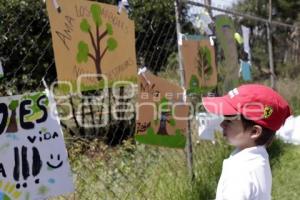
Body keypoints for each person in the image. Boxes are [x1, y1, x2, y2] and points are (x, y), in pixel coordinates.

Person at [202, 84, 291, 200]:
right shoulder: (256, 160)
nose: (221, 124)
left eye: (229, 121)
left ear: (254, 131)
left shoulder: (241, 175)